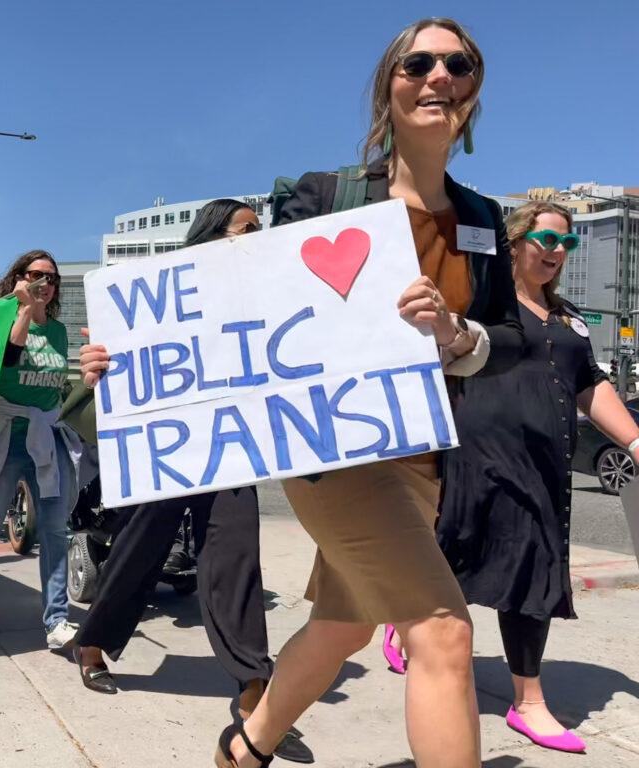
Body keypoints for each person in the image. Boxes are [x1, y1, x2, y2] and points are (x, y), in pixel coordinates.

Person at [210, 19, 525, 768]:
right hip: (337, 451)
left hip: (425, 457)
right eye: (419, 62)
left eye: (459, 63)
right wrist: (121, 364)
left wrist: (461, 339)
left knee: (344, 624)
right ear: (391, 84)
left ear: (473, 90)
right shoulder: (326, 196)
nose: (438, 76)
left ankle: (245, 748)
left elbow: (510, 335)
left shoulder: (482, 221)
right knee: (443, 631)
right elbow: (242, 309)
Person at [74, 201, 313, 764]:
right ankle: (93, 640)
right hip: (170, 444)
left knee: (235, 559)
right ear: (212, 237)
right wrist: (97, 368)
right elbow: (121, 367)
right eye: (247, 229)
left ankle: (255, 687)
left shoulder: (267, 295)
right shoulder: (158, 296)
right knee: (140, 547)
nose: (259, 237)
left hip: (232, 444)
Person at [433, 201, 639, 753]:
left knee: (531, 565)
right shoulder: (483, 304)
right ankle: (411, 628)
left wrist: (635, 441)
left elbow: (589, 385)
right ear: (515, 243)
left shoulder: (569, 318)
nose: (556, 253)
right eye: (545, 240)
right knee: (459, 552)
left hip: (544, 465)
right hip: (480, 456)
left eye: (566, 245)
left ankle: (528, 701)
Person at [0, 250, 81, 651]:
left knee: (55, 528)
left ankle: (57, 619)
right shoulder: (4, 319)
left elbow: (58, 384)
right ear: (20, 278)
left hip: (45, 437)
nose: (45, 282)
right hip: (8, 436)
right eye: (35, 275)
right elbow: (9, 359)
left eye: (51, 277)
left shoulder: (60, 333)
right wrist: (25, 310)